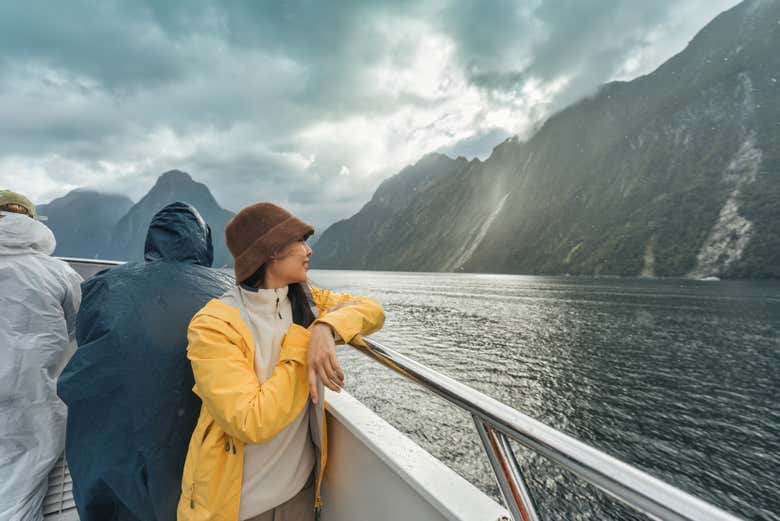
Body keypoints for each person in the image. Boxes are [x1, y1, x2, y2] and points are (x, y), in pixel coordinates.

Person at [178, 202, 386, 521]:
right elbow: (251, 420)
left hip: (299, 496)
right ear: (272, 252)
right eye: (300, 241)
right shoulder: (213, 325)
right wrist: (305, 340)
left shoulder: (307, 301)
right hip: (239, 507)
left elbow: (372, 309)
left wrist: (326, 328)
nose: (308, 250)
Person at [57, 202, 235, 521]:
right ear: (205, 243)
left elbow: (85, 339)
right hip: (194, 461)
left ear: (152, 241)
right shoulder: (229, 292)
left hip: (112, 452)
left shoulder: (105, 283)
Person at [0, 190, 83, 521]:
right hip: (34, 402)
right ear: (32, 223)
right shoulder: (59, 273)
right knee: (21, 490)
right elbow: (85, 330)